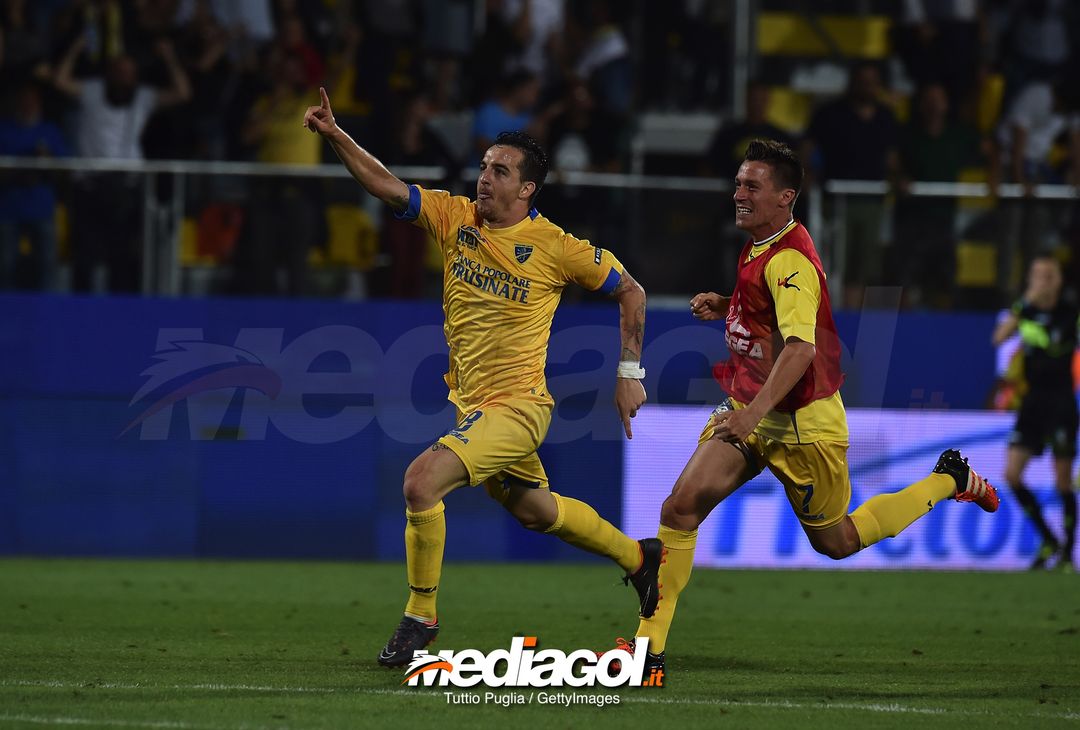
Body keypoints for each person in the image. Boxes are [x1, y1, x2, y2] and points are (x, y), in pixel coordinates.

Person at [602, 140, 1000, 673]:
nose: (738, 193)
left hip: (800, 424)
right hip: (752, 406)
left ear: (786, 197)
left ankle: (948, 478)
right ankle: (648, 649)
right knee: (680, 508)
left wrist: (751, 414)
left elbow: (800, 347)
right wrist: (731, 305)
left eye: (752, 186)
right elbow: (772, 316)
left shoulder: (790, 259)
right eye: (739, 182)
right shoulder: (763, 242)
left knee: (837, 541)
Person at [303, 88, 662, 667]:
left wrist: (629, 372)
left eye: (500, 171)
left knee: (422, 483)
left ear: (527, 190)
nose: (485, 179)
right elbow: (387, 185)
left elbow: (632, 291)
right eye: (484, 167)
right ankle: (641, 560)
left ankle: (420, 617)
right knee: (536, 512)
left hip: (519, 408)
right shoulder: (455, 218)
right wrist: (337, 135)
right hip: (473, 406)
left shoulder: (557, 248)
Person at [992, 255, 1078, 571]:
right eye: (1037, 275)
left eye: (1049, 275)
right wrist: (1026, 301)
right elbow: (998, 338)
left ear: (1059, 279)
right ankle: (1048, 539)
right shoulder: (1023, 312)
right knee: (1012, 475)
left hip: (1062, 403)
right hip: (1033, 403)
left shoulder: (1070, 313)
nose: (1043, 280)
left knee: (1063, 482)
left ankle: (1067, 553)